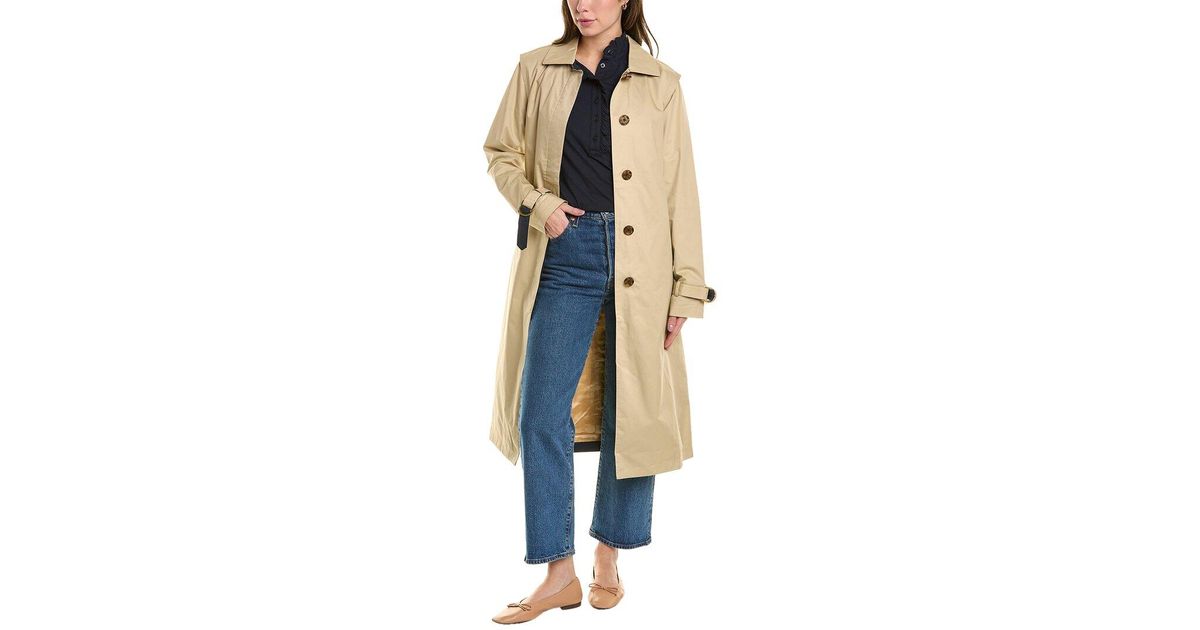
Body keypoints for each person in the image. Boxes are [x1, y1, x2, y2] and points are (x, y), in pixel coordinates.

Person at [482, 1, 715, 624]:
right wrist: (540, 205)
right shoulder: (536, 69)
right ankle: (558, 573)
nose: (582, 4)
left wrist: (687, 289)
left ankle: (608, 553)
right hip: (565, 252)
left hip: (646, 260)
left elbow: (680, 190)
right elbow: (501, 152)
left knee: (631, 411)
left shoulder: (662, 83)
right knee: (540, 412)